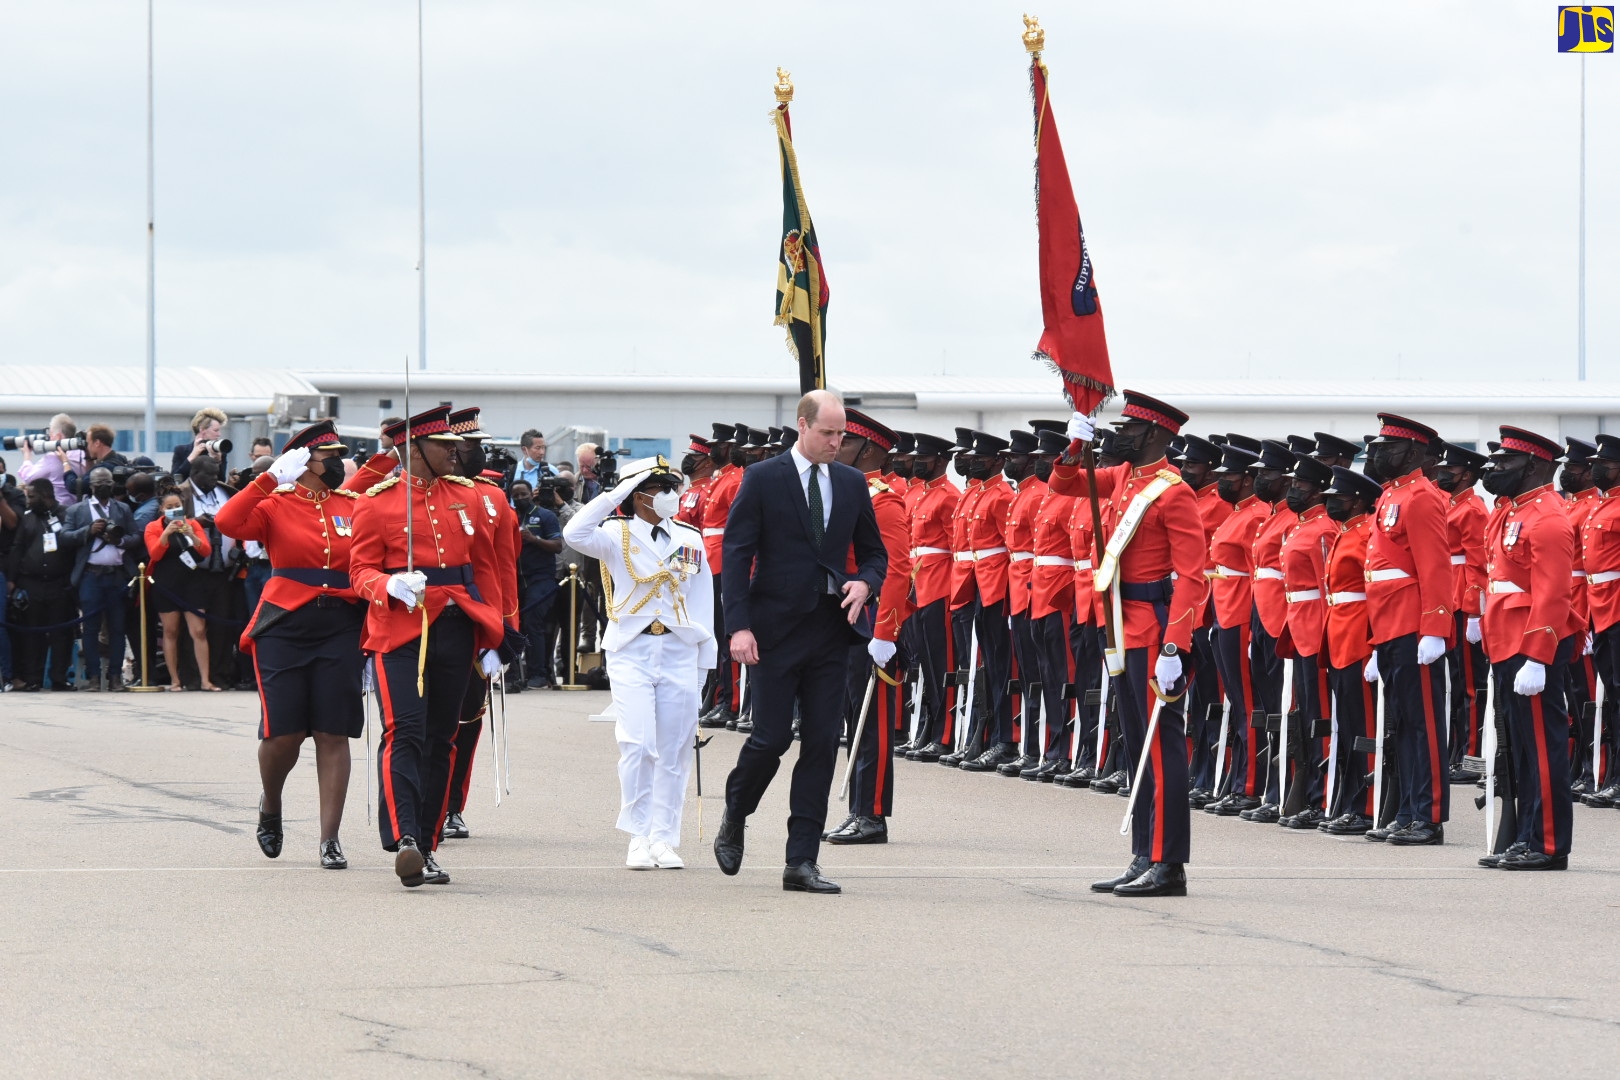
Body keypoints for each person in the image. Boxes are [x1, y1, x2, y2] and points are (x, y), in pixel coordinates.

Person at [713, 390, 887, 894]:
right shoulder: (764, 478)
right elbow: (738, 552)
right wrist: (739, 626)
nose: (838, 443)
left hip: (830, 631)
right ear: (803, 425)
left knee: (820, 744)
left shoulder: (853, 484)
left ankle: (801, 860)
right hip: (773, 633)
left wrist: (865, 582)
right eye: (828, 433)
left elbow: (875, 554)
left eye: (842, 435)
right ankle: (737, 810)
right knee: (770, 739)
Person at [1054, 391, 1208, 898]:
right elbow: (1065, 483)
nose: (1120, 434)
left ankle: (1169, 863)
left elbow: (1192, 577)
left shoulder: (1173, 491)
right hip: (1118, 625)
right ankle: (1143, 854)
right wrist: (1075, 442)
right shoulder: (1122, 477)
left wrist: (1174, 646)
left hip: (1152, 627)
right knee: (1134, 743)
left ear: (1157, 437)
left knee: (1161, 748)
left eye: (1131, 429)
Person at [349, 406, 507, 889]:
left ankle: (430, 842)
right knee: (405, 733)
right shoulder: (375, 502)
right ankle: (406, 839)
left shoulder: (468, 498)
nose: (455, 451)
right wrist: (388, 586)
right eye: (443, 445)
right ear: (412, 449)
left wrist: (494, 635)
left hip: (458, 625)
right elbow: (359, 571)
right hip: (401, 630)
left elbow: (486, 570)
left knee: (443, 739)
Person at [214, 420, 366, 869]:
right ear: (304, 461)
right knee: (284, 734)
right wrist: (268, 478)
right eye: (329, 456)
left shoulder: (351, 504)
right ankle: (271, 803)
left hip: (340, 622)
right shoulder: (275, 503)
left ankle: (329, 838)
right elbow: (228, 521)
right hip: (284, 623)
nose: (338, 463)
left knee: (332, 731)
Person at [563, 455, 714, 869]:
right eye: (660, 489)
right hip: (632, 648)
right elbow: (575, 531)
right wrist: (616, 492)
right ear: (640, 494)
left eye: (672, 489)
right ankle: (637, 834)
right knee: (638, 742)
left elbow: (703, 603)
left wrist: (704, 663)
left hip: (681, 649)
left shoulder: (690, 537)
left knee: (675, 748)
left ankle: (664, 838)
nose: (670, 496)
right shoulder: (615, 532)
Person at [1478, 425, 1575, 871]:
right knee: (1518, 747)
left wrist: (1538, 655)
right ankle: (1524, 835)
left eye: (1505, 462)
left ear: (1535, 466)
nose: (1494, 468)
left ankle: (1548, 843)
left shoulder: (1549, 518)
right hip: (1505, 640)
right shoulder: (1510, 511)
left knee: (1541, 745)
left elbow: (1554, 593)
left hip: (1531, 643)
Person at [1361, 413, 1453, 846]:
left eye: (1389, 447)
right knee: (1401, 722)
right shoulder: (1390, 495)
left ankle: (1428, 815)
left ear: (1415, 453)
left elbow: (1434, 566)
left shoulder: (1421, 497)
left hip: (1414, 624)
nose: (1378, 454)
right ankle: (1406, 809)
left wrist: (1434, 627)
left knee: (1424, 724)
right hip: (1389, 622)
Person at [825, 409, 910, 845]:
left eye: (848, 441)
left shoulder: (885, 500)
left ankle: (872, 814)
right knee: (851, 718)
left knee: (871, 722)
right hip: (847, 619)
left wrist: (885, 634)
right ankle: (859, 808)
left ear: (871, 450)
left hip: (873, 624)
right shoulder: (851, 491)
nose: (838, 446)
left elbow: (897, 570)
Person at [439, 406, 522, 843]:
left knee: (468, 719)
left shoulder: (492, 497)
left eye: (478, 445)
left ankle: (453, 805)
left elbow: (505, 567)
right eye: (469, 445)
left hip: (480, 624)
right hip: (431, 618)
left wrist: (507, 631)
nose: (477, 452)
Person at [1318, 466, 1382, 834]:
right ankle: (1347, 800)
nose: (1331, 504)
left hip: (1358, 634)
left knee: (1364, 726)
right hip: (1340, 632)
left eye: (1337, 498)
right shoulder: (1347, 533)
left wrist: (1373, 644)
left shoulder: (1365, 534)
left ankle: (1366, 806)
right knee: (1347, 724)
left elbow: (1374, 593)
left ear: (1357, 499)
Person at [900, 432, 963, 762]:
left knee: (941, 665)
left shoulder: (948, 496)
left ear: (941, 461)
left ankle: (945, 731)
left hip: (938, 585)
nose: (917, 463)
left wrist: (953, 593)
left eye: (924, 459)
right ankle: (925, 726)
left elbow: (955, 550)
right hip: (916, 584)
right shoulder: (918, 495)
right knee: (921, 663)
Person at [1431, 442, 1490, 783]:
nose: (1442, 474)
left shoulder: (1473, 510)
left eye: (1449, 469)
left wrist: (1475, 612)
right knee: (1455, 685)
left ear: (1466, 474)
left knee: (1471, 687)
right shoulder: (1453, 505)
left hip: (1464, 604)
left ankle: (1473, 759)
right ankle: (1457, 752)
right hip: (1450, 599)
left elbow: (1478, 564)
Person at [62, 467, 140, 690]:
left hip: (117, 576)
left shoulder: (122, 508)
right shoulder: (77, 510)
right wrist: (88, 531)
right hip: (90, 576)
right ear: (91, 486)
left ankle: (115, 677)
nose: (104, 486)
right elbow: (65, 537)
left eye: (108, 482)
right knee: (91, 628)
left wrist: (120, 541)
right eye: (99, 483)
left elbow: (136, 537)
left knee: (117, 628)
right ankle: (94, 677)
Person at [7, 478, 83, 690]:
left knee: (61, 634)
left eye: (32, 497)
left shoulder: (66, 515)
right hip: (31, 584)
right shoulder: (27, 518)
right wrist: (12, 581)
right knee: (33, 634)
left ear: (46, 495)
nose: (28, 501)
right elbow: (17, 549)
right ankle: (33, 679)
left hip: (60, 584)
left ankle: (59, 678)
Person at [1579, 433, 1620, 808]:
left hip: (1617, 606)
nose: (1596, 469)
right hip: (1601, 607)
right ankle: (1611, 776)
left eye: (1604, 464)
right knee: (1611, 696)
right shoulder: (1601, 506)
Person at [144, 492, 220, 692]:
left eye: (176, 505)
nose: (173, 509)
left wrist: (191, 534)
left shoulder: (192, 524)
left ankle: (205, 680)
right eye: (169, 506)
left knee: (199, 631)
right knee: (170, 631)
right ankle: (175, 679)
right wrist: (166, 533)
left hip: (192, 581)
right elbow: (155, 553)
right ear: (162, 509)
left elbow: (205, 551)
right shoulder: (153, 527)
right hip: (166, 583)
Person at [178, 455, 241, 691]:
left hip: (224, 571)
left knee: (221, 625)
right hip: (194, 571)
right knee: (195, 628)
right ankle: (193, 677)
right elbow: (169, 524)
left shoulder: (225, 492)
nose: (215, 479)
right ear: (195, 474)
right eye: (210, 475)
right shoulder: (182, 493)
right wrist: (196, 523)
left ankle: (220, 675)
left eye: (217, 474)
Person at [511, 479, 563, 690]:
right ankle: (514, 672)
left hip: (542, 579)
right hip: (516, 579)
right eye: (516, 495)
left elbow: (558, 546)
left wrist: (534, 539)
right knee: (515, 624)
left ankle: (538, 674)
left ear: (530, 494)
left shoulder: (545, 516)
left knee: (533, 622)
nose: (521, 498)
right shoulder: (510, 516)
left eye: (524, 494)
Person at [17, 414, 86, 507]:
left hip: (58, 511)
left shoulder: (52, 458)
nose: (48, 437)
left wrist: (27, 457)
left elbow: (29, 478)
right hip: (77, 508)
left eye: (50, 433)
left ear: (58, 437)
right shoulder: (81, 454)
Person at [169, 407, 229, 481]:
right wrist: (192, 456)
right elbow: (175, 479)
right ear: (202, 429)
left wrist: (217, 461)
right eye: (216, 430)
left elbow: (221, 481)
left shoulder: (220, 453)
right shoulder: (181, 450)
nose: (219, 434)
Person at [507, 429, 557, 493]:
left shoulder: (551, 471)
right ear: (524, 449)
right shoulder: (512, 471)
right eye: (537, 448)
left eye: (543, 447)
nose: (542, 452)